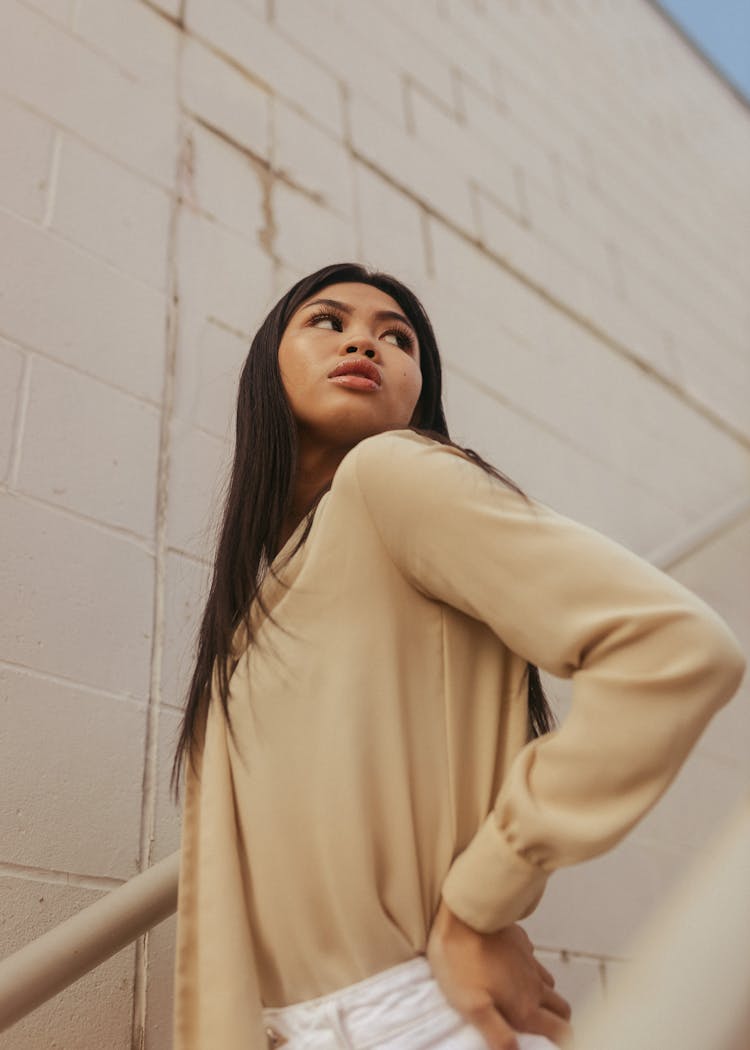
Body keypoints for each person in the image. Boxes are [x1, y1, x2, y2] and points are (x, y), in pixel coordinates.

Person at [170, 262, 746, 1050]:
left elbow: (676, 647)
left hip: (416, 1018)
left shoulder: (390, 475)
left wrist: (481, 904)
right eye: (328, 322)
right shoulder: (252, 612)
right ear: (267, 364)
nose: (365, 342)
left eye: (397, 337)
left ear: (418, 389)